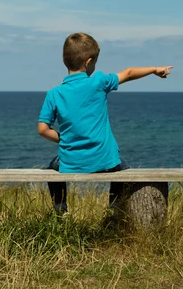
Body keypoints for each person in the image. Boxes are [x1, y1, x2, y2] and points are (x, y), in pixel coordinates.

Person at [38, 32, 172, 214]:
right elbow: (129, 72)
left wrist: (64, 139)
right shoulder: (99, 82)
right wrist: (155, 69)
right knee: (123, 169)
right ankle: (114, 209)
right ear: (88, 62)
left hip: (71, 162)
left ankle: (61, 210)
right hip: (105, 161)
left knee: (52, 168)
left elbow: (43, 129)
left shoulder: (54, 94)